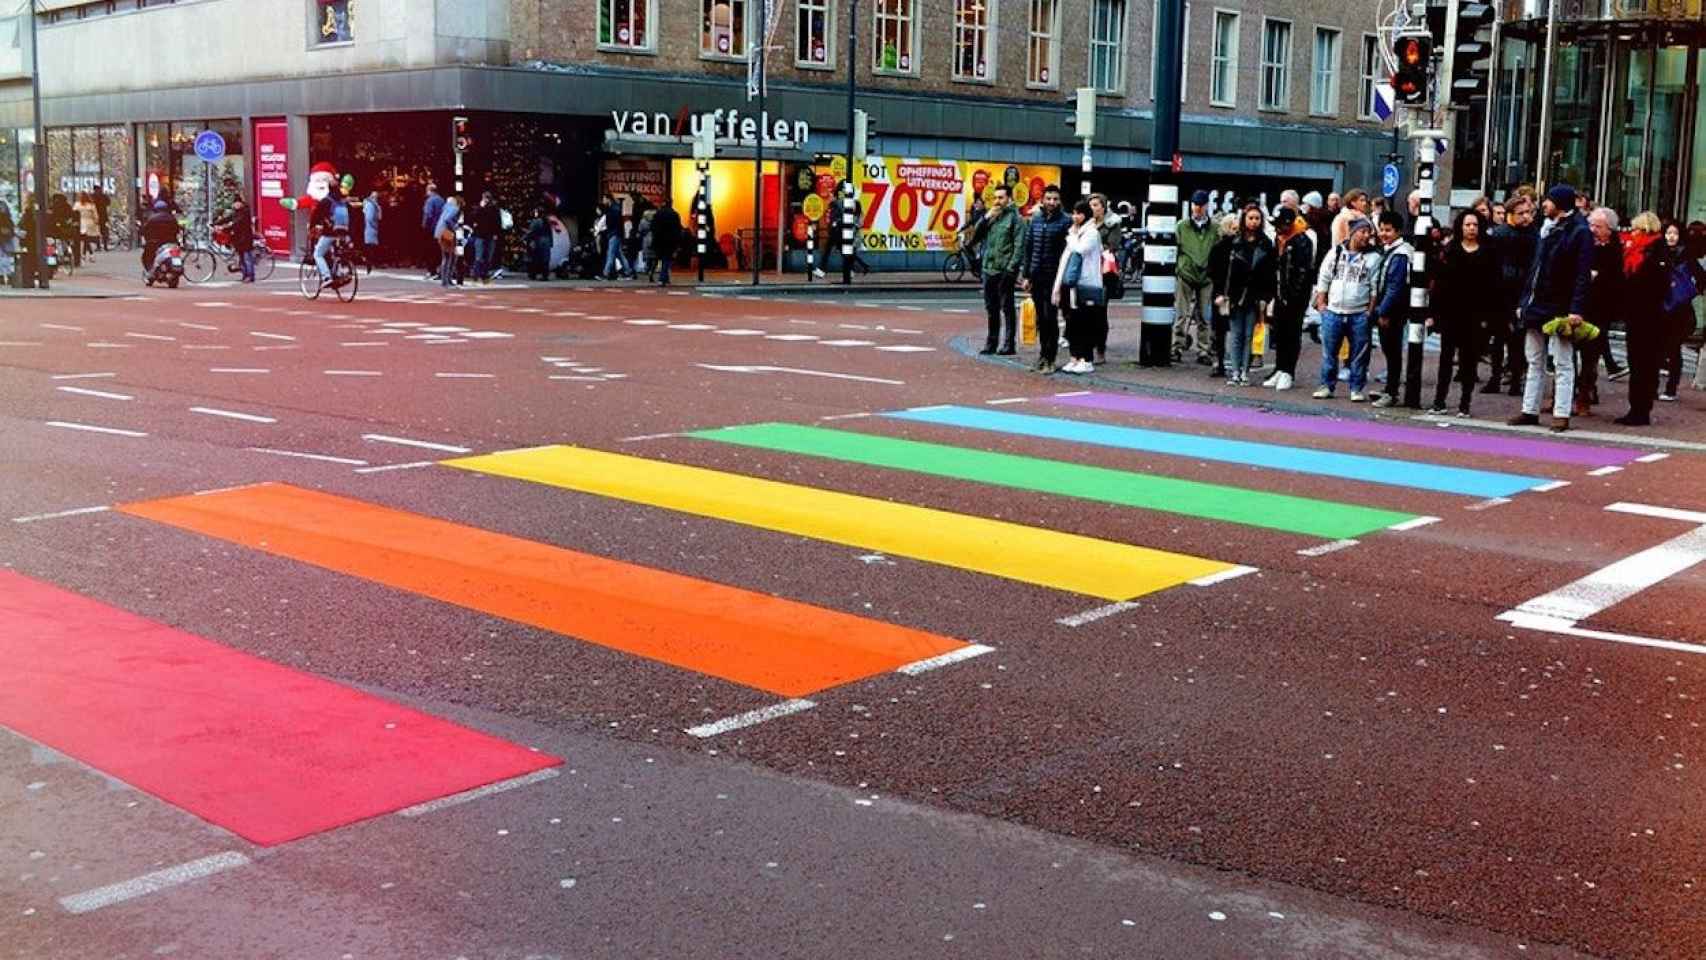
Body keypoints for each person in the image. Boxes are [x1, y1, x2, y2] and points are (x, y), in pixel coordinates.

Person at [1511, 184, 1595, 433]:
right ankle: (1530, 409)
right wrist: (1524, 301)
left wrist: (1576, 309)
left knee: (1562, 360)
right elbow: (1535, 271)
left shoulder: (1578, 232)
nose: (1543, 205)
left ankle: (1561, 413)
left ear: (1559, 204)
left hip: (1559, 306)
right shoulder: (1546, 230)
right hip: (1537, 304)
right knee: (1534, 358)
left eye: (1548, 201)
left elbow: (1582, 274)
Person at [1429, 209, 1498, 417]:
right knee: (1446, 358)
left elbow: (1493, 287)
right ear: (1460, 227)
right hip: (1451, 313)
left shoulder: (1488, 252)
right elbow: (1438, 285)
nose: (1471, 229)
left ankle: (1464, 404)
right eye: (1467, 225)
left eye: (1475, 225)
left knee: (1469, 361)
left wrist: (1489, 316)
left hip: (1475, 315)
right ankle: (1439, 401)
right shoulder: (1449, 251)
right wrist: (1433, 313)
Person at [1312, 216, 1382, 402]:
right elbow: (1324, 277)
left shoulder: (1373, 258)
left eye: (1369, 233)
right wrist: (1321, 303)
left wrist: (1369, 310)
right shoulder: (1335, 253)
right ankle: (1327, 385)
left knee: (1359, 354)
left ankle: (1356, 387)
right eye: (1362, 232)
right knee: (1329, 352)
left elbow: (1374, 286)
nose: (1366, 236)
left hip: (1359, 313)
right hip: (1333, 311)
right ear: (1352, 233)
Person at [1209, 204, 1276, 386]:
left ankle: (1244, 371)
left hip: (1255, 296)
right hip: (1235, 295)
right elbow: (1219, 269)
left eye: (1257, 218)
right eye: (1250, 218)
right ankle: (1235, 370)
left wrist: (1266, 297)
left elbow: (1270, 274)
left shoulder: (1265, 244)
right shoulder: (1233, 244)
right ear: (1244, 220)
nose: (1254, 222)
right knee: (1237, 334)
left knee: (1249, 335)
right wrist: (1219, 293)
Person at [1615, 211, 1671, 426]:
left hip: (1650, 317)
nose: (1632, 233)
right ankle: (1636, 407)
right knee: (1637, 362)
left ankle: (1641, 409)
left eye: (1636, 229)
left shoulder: (1656, 252)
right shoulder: (1637, 251)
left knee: (1644, 364)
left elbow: (1656, 286)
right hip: (1637, 315)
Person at [1488, 194, 1539, 396]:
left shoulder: (1533, 235)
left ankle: (1516, 378)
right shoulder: (1499, 234)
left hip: (1521, 289)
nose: (1526, 217)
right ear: (1510, 214)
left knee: (1517, 339)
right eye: (1521, 213)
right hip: (1501, 290)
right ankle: (1495, 376)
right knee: (1498, 337)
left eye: (1528, 213)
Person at [1017, 184, 1070, 374]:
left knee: (1050, 318)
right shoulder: (1036, 220)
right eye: (1049, 199)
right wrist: (1026, 275)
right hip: (1037, 276)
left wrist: (1063, 278)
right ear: (1043, 200)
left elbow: (1068, 251)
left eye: (1055, 199)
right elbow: (1029, 248)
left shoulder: (1066, 222)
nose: (1052, 202)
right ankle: (1042, 355)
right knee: (1041, 318)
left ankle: (1050, 357)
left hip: (1054, 277)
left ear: (1060, 200)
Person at [1574, 207, 1623, 416]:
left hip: (1600, 309)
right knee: (1565, 354)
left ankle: (1584, 395)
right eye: (1590, 224)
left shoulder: (1616, 249)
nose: (1592, 229)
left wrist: (1598, 276)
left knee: (1590, 356)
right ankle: (1564, 395)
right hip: (1578, 306)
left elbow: (1617, 280)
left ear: (1609, 229)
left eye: (1597, 226)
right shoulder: (1582, 244)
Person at [1054, 198, 1106, 375]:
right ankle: (1074, 358)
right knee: (1073, 322)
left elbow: (1080, 249)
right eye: (1074, 213)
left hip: (1087, 284)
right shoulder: (1075, 232)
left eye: (1079, 213)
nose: (1075, 217)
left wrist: (1071, 237)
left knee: (1085, 322)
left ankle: (1087, 359)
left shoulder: (1091, 233)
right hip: (1074, 285)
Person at [1267, 206, 1315, 391]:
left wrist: (1293, 296)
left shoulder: (1302, 241)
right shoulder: (1278, 239)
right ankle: (1279, 367)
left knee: (1292, 333)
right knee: (1279, 331)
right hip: (1280, 293)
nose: (1277, 228)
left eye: (1279, 225)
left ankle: (1288, 371)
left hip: (1295, 297)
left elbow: (1303, 272)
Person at [1656, 220, 1704, 402]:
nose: (1671, 237)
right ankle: (1653, 387)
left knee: (1674, 348)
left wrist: (1689, 292)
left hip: (1679, 309)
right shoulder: (1658, 252)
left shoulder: (1687, 256)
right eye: (1668, 233)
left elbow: (1701, 277)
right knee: (1658, 347)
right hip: (1661, 306)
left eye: (1675, 233)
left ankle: (1671, 388)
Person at [1369, 211, 1414, 408]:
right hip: (1390, 308)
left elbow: (1395, 287)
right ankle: (1389, 388)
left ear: (1397, 231)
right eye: (1382, 229)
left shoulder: (1400, 254)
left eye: (1388, 230)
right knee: (1390, 352)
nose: (1383, 234)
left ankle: (1392, 392)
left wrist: (1383, 311)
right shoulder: (1391, 250)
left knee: (1393, 352)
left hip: (1393, 311)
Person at [974, 182, 1022, 355]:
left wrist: (1011, 270)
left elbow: (1018, 246)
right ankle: (991, 343)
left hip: (1003, 270)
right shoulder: (992, 216)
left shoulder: (1016, 218)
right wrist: (986, 217)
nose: (997, 201)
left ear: (1009, 198)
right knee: (991, 308)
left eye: (1001, 197)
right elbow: (976, 236)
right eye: (995, 198)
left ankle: (1009, 344)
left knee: (1007, 308)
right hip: (989, 268)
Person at [1174, 190, 1218, 365]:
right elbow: (1176, 248)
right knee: (1181, 313)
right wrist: (1179, 268)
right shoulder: (1182, 226)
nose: (1198, 208)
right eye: (1195, 205)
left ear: (1207, 205)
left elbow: (1217, 249)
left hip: (1206, 275)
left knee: (1204, 315)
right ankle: (1176, 347)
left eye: (1201, 205)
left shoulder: (1214, 228)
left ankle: (1203, 350)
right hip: (1186, 273)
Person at [1089, 192, 1122, 363]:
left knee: (1100, 312)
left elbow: (1113, 246)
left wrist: (1095, 246)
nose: (1092, 208)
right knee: (1086, 311)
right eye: (1091, 205)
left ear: (1103, 206)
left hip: (1104, 273)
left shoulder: (1112, 224)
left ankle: (1100, 350)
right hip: (1087, 271)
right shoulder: (1086, 223)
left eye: (1096, 205)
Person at [310, 182, 352, 287]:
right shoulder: (342, 202)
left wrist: (312, 226)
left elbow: (315, 215)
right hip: (343, 232)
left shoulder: (326, 201)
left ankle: (326, 277)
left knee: (318, 254)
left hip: (330, 232)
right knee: (336, 253)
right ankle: (340, 273)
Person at [217, 197, 257, 282]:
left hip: (245, 238)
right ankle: (244, 275)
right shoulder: (236, 212)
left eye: (237, 203)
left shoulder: (245, 212)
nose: (235, 205)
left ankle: (250, 276)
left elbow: (237, 223)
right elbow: (228, 218)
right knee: (242, 258)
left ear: (241, 203)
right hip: (239, 239)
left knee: (247, 258)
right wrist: (216, 223)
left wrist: (224, 228)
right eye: (234, 203)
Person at [139, 199, 180, 277]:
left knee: (147, 255)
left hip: (155, 243)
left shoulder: (152, 219)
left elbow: (145, 230)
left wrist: (147, 239)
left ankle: (150, 271)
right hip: (171, 242)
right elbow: (177, 230)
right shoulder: (172, 218)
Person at [470, 191, 503, 285]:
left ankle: (483, 276)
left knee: (486, 257)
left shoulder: (494, 209)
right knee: (480, 256)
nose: (486, 200)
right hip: (482, 235)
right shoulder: (480, 208)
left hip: (487, 235)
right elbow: (473, 217)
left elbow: (497, 222)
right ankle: (477, 276)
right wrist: (481, 207)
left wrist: (496, 233)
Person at [650, 197, 683, 286]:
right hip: (670, 240)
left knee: (660, 258)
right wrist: (678, 242)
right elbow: (678, 229)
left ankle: (663, 277)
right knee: (666, 259)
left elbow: (653, 227)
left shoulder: (658, 214)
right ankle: (662, 278)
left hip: (659, 239)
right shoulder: (675, 214)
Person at [599, 193, 630, 280]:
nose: (603, 201)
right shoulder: (613, 208)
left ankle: (606, 273)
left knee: (611, 253)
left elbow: (614, 223)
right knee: (618, 254)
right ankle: (628, 271)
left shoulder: (613, 209)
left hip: (614, 233)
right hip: (615, 233)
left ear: (608, 199)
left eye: (604, 199)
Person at [435, 193, 463, 288]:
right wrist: (455, 227)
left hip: (440, 233)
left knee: (447, 257)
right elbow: (448, 220)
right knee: (449, 257)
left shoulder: (446, 208)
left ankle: (446, 280)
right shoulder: (455, 209)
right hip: (447, 233)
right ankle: (446, 281)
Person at [421, 182, 445, 278]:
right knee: (438, 250)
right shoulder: (441, 200)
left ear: (429, 191)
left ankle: (431, 271)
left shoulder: (430, 201)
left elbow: (428, 215)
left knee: (429, 250)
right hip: (441, 228)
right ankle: (440, 270)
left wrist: (424, 226)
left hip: (431, 229)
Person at [73, 191, 99, 262]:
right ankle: (88, 255)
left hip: (80, 223)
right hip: (90, 223)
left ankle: (86, 255)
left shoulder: (77, 205)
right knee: (86, 239)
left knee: (84, 239)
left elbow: (74, 213)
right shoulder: (91, 205)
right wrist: (96, 222)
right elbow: (95, 215)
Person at [363, 189, 382, 267]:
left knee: (371, 245)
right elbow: (369, 217)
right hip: (371, 227)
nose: (376, 198)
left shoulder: (372, 204)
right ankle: (372, 262)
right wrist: (374, 225)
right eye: (374, 196)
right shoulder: (371, 205)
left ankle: (371, 262)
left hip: (370, 227)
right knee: (371, 246)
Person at [0, 201, 16, 286]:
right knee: (8, 257)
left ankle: (2, 276)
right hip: (7, 238)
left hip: (5, 238)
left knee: (3, 257)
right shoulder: (7, 217)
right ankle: (9, 276)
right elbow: (11, 227)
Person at [91, 184, 110, 251]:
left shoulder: (93, 196)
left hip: (97, 216)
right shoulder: (103, 196)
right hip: (102, 216)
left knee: (98, 232)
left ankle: (100, 246)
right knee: (103, 231)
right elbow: (108, 203)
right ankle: (104, 246)